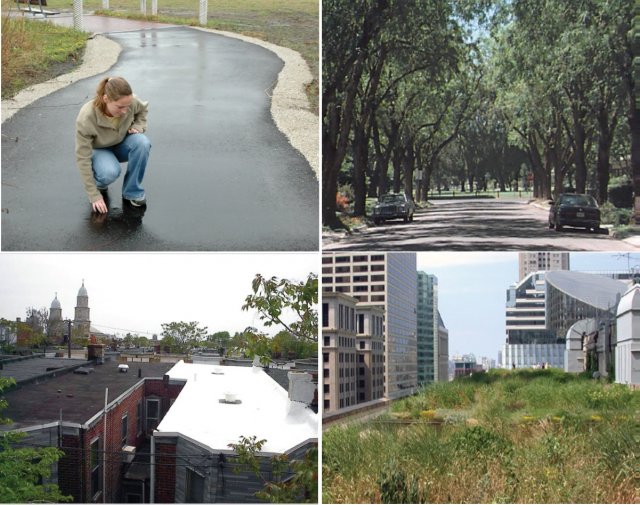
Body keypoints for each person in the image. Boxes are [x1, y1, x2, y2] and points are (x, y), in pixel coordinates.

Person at [75, 76, 151, 214]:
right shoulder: (87, 116)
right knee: (109, 173)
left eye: (127, 106)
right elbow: (82, 157)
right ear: (106, 99)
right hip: (100, 149)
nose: (124, 111)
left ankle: (132, 192)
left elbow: (142, 109)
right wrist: (93, 194)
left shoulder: (129, 101)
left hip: (121, 143)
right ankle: (100, 183)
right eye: (120, 107)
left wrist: (139, 125)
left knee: (142, 142)